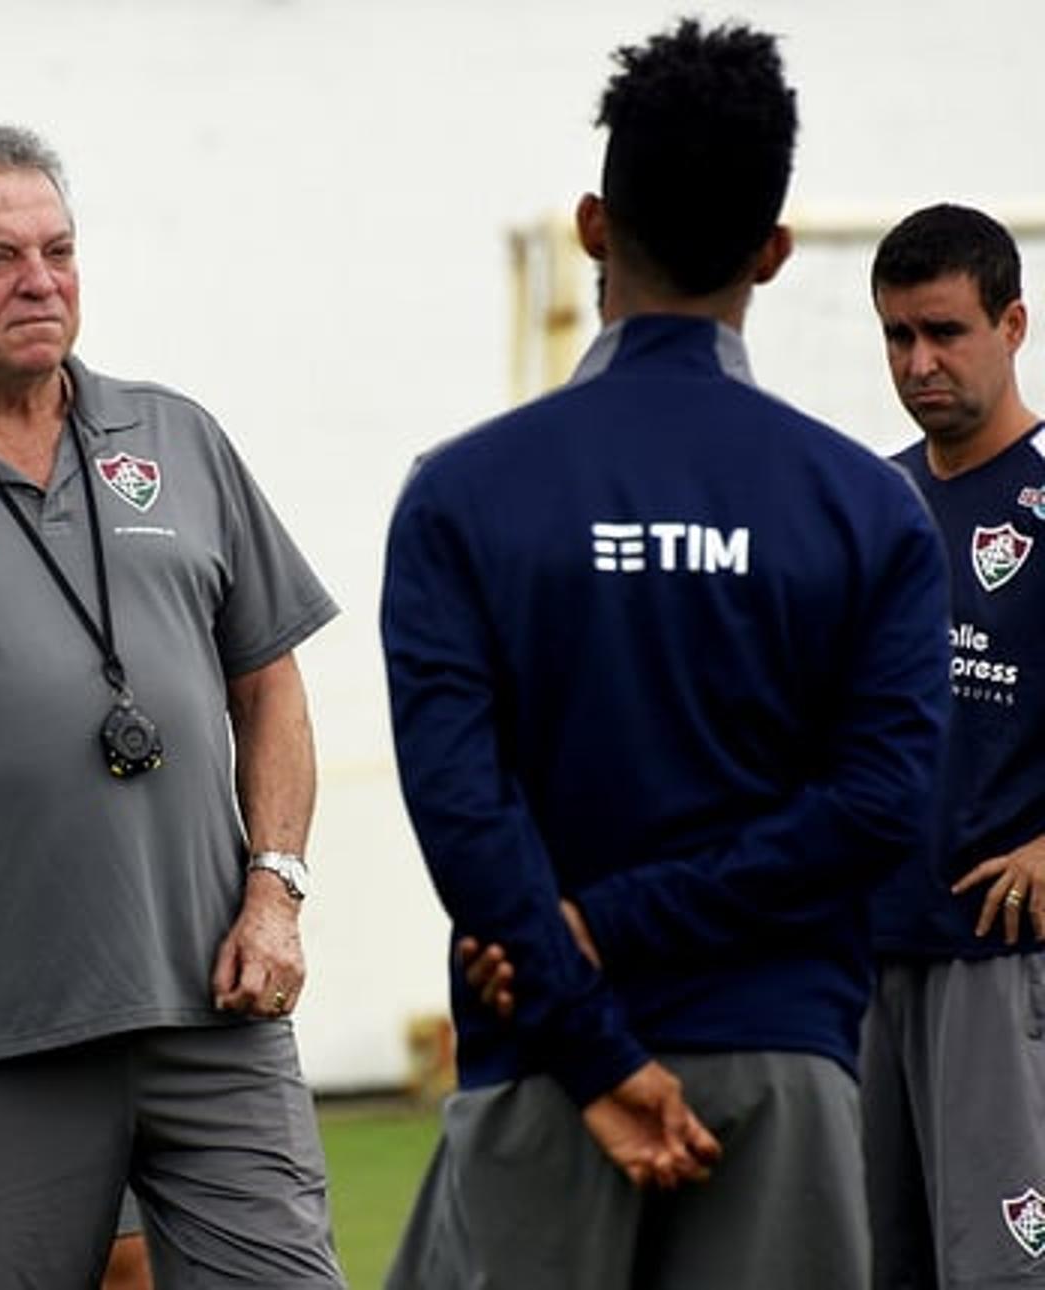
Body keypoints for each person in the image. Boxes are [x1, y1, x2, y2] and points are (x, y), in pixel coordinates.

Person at [380, 20, 951, 1289]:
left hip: (540, 1053)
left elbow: (464, 816)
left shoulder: (462, 495)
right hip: (783, 1063)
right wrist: (611, 930)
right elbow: (880, 811)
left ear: (594, 224)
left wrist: (585, 1004)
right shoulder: (867, 508)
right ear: (776, 252)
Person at [0, 120, 346, 1289]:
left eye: (59, 251)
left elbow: (268, 680)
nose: (39, 282)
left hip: (215, 1012)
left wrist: (275, 891)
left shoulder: (177, 437)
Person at [864, 203, 1045, 1288]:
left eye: (945, 332)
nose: (920, 363)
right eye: (897, 336)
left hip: (1002, 957)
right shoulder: (871, 501)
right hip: (872, 955)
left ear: (1013, 323)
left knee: (1001, 1272)